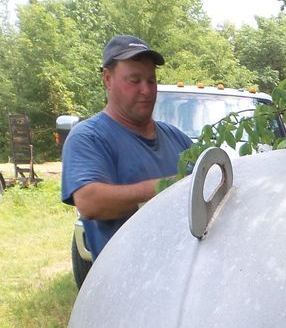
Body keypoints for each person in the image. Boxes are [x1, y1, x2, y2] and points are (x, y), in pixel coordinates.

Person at [61, 35, 193, 260]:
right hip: (127, 288)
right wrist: (169, 187)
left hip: (185, 279)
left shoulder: (177, 138)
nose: (146, 90)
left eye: (151, 81)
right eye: (134, 80)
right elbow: (90, 202)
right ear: (107, 79)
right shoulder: (88, 137)